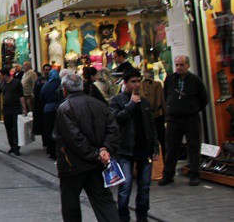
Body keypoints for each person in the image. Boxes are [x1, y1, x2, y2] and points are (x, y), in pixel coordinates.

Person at [55, 72, 121, 222]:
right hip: (96, 164)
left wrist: (99, 152)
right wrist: (104, 150)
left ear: (64, 89)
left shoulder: (65, 108)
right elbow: (114, 130)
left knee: (71, 205)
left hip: (73, 165)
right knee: (104, 202)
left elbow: (75, 139)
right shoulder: (99, 104)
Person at [109, 69, 160, 222]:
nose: (137, 85)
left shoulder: (144, 102)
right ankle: (123, 215)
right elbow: (117, 119)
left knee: (144, 187)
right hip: (125, 150)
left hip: (144, 150)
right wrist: (131, 104)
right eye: (133, 81)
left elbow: (151, 126)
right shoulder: (117, 100)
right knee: (126, 186)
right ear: (125, 83)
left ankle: (142, 215)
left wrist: (155, 147)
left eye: (139, 81)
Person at [159, 55, 209, 187]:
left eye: (182, 65)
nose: (179, 67)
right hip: (174, 119)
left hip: (191, 118)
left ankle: (194, 175)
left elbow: (204, 99)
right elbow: (166, 95)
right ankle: (168, 175)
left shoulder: (195, 80)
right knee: (171, 148)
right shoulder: (170, 79)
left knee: (193, 147)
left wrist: (193, 109)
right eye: (177, 65)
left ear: (188, 65)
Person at [0, 67, 26, 155]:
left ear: (5, 75)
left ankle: (16, 147)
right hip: (6, 109)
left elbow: (21, 96)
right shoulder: (1, 83)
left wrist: (24, 108)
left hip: (16, 108)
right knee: (8, 128)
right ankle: (12, 145)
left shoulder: (16, 83)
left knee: (15, 128)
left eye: (0, 75)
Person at [140, 70, 166, 152]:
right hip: (157, 115)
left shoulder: (140, 86)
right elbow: (162, 100)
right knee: (162, 139)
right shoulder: (157, 85)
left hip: (147, 115)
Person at [41, 69, 61, 159]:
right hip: (59, 109)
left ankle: (51, 150)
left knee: (49, 130)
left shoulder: (46, 85)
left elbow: (42, 97)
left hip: (48, 109)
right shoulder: (60, 83)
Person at [32, 64, 52, 146]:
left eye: (49, 70)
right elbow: (35, 92)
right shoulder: (39, 80)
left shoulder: (52, 80)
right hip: (40, 106)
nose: (47, 71)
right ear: (43, 71)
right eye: (46, 69)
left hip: (48, 105)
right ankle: (45, 142)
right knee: (43, 125)